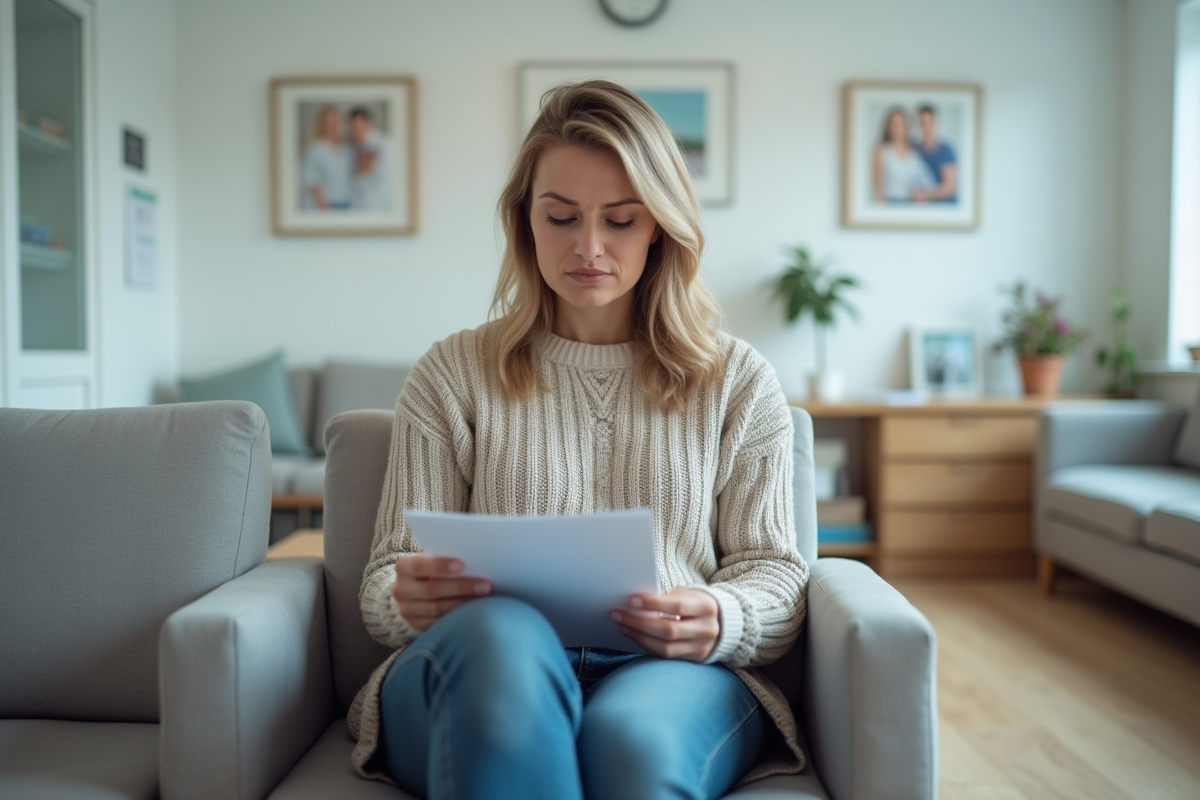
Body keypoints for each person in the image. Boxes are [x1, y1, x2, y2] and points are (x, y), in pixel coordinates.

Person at [349, 80, 810, 800]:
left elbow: (775, 571)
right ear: (524, 222)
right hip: (482, 669)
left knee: (630, 744)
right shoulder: (452, 374)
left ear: (659, 224)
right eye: (560, 217)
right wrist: (407, 596)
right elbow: (386, 575)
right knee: (503, 639)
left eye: (620, 220)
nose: (588, 248)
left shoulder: (738, 382)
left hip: (667, 674)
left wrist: (726, 617)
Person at [872, 106, 935, 203]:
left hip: (912, 205)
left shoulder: (914, 153)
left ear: (906, 126)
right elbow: (877, 189)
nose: (897, 128)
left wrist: (922, 194)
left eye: (901, 124)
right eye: (893, 124)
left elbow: (925, 180)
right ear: (888, 127)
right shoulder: (882, 151)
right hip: (890, 203)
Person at [300, 105, 353, 210]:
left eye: (334, 123)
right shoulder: (315, 149)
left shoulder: (347, 148)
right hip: (327, 205)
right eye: (327, 123)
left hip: (346, 203)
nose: (330, 127)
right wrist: (325, 208)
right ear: (320, 125)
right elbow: (312, 181)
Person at [348, 107, 393, 211]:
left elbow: (364, 173)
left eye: (357, 126)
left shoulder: (384, 144)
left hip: (379, 207)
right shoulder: (354, 147)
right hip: (359, 208)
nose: (354, 131)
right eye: (351, 127)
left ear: (368, 124)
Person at [912, 104, 958, 203]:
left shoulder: (946, 150)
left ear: (935, 122)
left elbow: (949, 187)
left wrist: (926, 194)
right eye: (922, 122)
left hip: (945, 209)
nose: (926, 127)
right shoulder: (914, 150)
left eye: (929, 122)